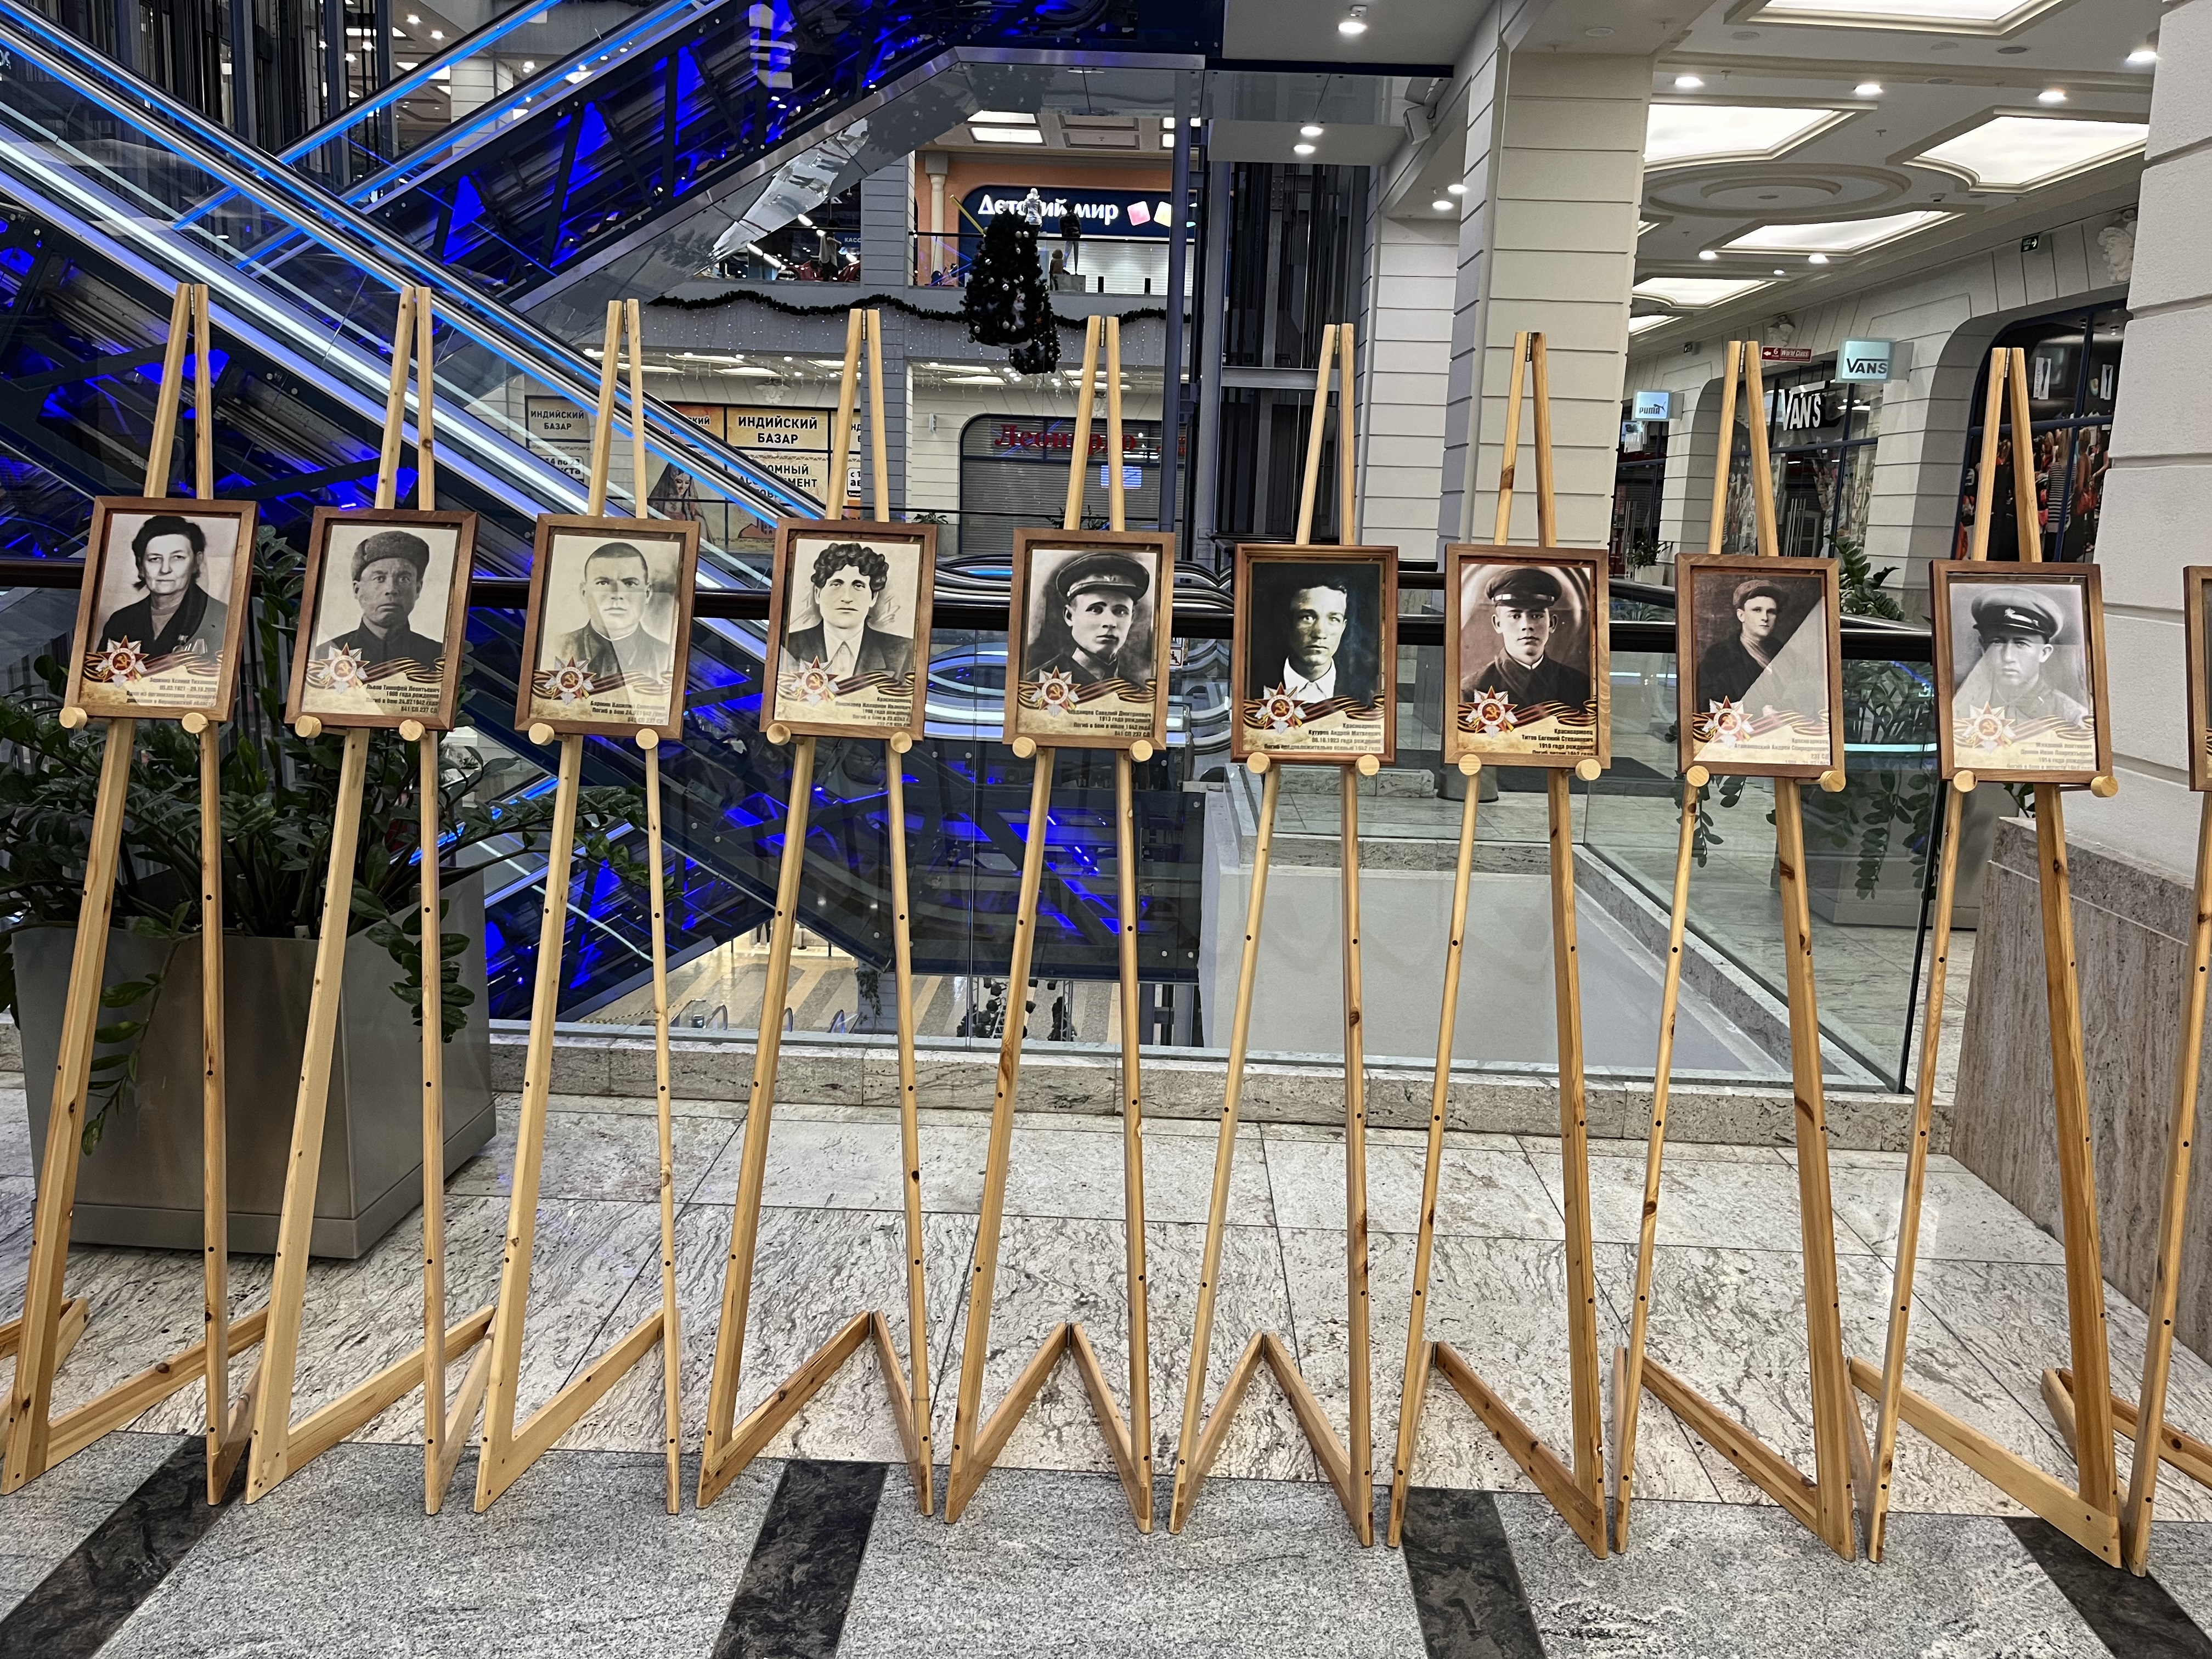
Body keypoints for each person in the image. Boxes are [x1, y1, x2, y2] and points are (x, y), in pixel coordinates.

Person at [97, 514, 229, 662]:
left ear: (196, 562)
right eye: (155, 559)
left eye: (178, 557)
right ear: (141, 566)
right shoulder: (121, 622)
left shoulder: (222, 618)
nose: (165, 570)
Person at [1459, 567, 1589, 710]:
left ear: (1552, 624)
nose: (1526, 626)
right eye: (1515, 616)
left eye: (1536, 616)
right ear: (1498, 624)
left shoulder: (1581, 686)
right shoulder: (1472, 690)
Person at [1954, 585, 2088, 724]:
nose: (2008, 657)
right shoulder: (1961, 707)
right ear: (1984, 649)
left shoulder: (2072, 717)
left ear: (2044, 653)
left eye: (2021, 644)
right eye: (1997, 643)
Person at [314, 528, 444, 669]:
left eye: (404, 579)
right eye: (379, 578)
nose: (391, 589)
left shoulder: (440, 657)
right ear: (357, 590)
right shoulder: (325, 656)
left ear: (418, 589)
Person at [783, 541, 913, 678]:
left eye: (858, 586)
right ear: (817, 594)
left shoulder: (903, 652)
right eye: (836, 584)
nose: (847, 598)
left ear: (874, 597)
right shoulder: (788, 646)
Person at [550, 541, 673, 684]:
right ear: (584, 592)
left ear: (647, 593)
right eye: (603, 583)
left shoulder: (669, 659)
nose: (617, 594)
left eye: (630, 583)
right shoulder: (553, 649)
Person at [1028, 549, 1149, 684]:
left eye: (1120, 612)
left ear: (1131, 619)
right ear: (1070, 616)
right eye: (1095, 610)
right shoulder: (1037, 685)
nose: (1110, 622)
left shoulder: (1136, 691)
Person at [1259, 573, 1376, 705]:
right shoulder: (1255, 689)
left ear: (1343, 628)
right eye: (1307, 618)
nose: (1320, 633)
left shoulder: (1364, 697)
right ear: (1286, 623)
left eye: (1333, 619)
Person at [1697, 576, 1793, 709]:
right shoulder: (1718, 658)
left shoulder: (1787, 654)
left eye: (1771, 612)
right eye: (1757, 610)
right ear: (1741, 615)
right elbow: (1707, 707)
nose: (1765, 618)